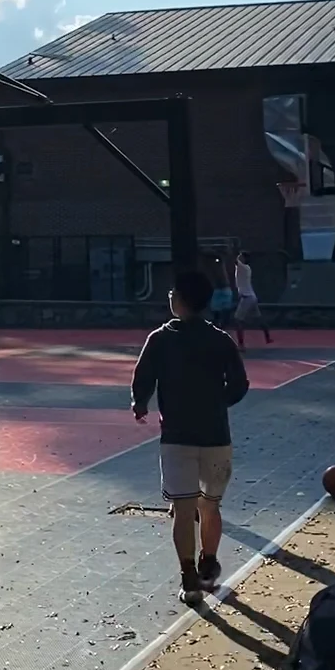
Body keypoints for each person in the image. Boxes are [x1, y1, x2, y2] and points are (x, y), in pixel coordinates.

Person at [132, 268, 249, 606]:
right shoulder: (221, 340)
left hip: (177, 437)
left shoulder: (160, 338)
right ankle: (208, 563)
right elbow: (240, 385)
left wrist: (140, 403)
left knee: (183, 511)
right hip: (215, 436)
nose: (169, 296)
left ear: (180, 300)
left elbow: (144, 376)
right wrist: (216, 403)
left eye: (172, 292)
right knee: (210, 506)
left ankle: (189, 579)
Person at [233, 250, 272, 348]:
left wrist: (233, 250)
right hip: (251, 297)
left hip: (247, 298)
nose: (240, 257)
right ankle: (268, 337)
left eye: (242, 256)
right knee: (258, 318)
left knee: (238, 320)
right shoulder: (244, 268)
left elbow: (235, 260)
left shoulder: (244, 267)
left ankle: (241, 345)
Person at [208, 260, 233, 330]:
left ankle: (223, 324)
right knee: (216, 311)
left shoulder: (222, 266)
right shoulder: (213, 268)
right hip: (219, 290)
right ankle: (217, 324)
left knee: (225, 310)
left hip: (224, 289)